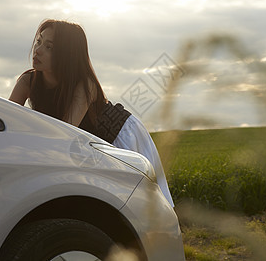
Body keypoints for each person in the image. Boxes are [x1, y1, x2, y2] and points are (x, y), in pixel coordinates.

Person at [9, 19, 174, 207]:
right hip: (87, 147)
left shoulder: (84, 84)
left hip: (118, 138)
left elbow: (66, 132)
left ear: (66, 55)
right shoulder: (27, 81)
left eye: (49, 47)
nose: (37, 50)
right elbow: (7, 123)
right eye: (39, 42)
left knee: (141, 208)